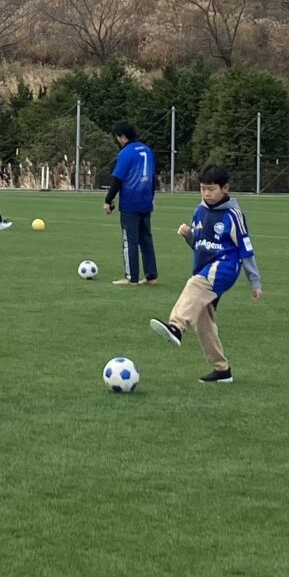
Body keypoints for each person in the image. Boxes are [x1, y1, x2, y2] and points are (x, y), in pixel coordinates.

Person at [150, 165, 255, 385]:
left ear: (225, 189)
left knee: (194, 284)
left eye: (211, 189)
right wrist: (188, 236)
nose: (206, 193)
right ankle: (222, 370)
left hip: (225, 266)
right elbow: (199, 245)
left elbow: (246, 249)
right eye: (203, 188)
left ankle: (176, 327)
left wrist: (255, 281)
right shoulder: (199, 210)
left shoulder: (233, 214)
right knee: (203, 320)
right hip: (205, 267)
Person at [104, 123, 159, 286]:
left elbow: (117, 180)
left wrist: (108, 200)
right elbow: (153, 178)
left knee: (130, 240)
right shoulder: (147, 151)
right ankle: (151, 277)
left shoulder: (125, 153)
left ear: (123, 137)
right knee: (146, 239)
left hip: (130, 203)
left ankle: (131, 278)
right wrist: (151, 198)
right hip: (145, 201)